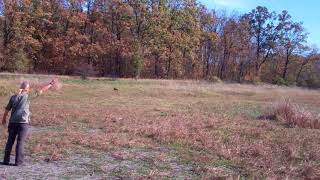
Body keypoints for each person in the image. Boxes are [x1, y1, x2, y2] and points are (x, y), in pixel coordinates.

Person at [1, 78, 57, 166]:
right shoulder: (28, 96)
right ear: (27, 89)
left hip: (12, 122)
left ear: (20, 87)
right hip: (23, 123)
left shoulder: (13, 97)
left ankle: (5, 160)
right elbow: (41, 90)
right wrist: (50, 84)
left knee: (10, 141)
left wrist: (3, 119)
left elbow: (7, 110)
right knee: (20, 142)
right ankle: (18, 162)